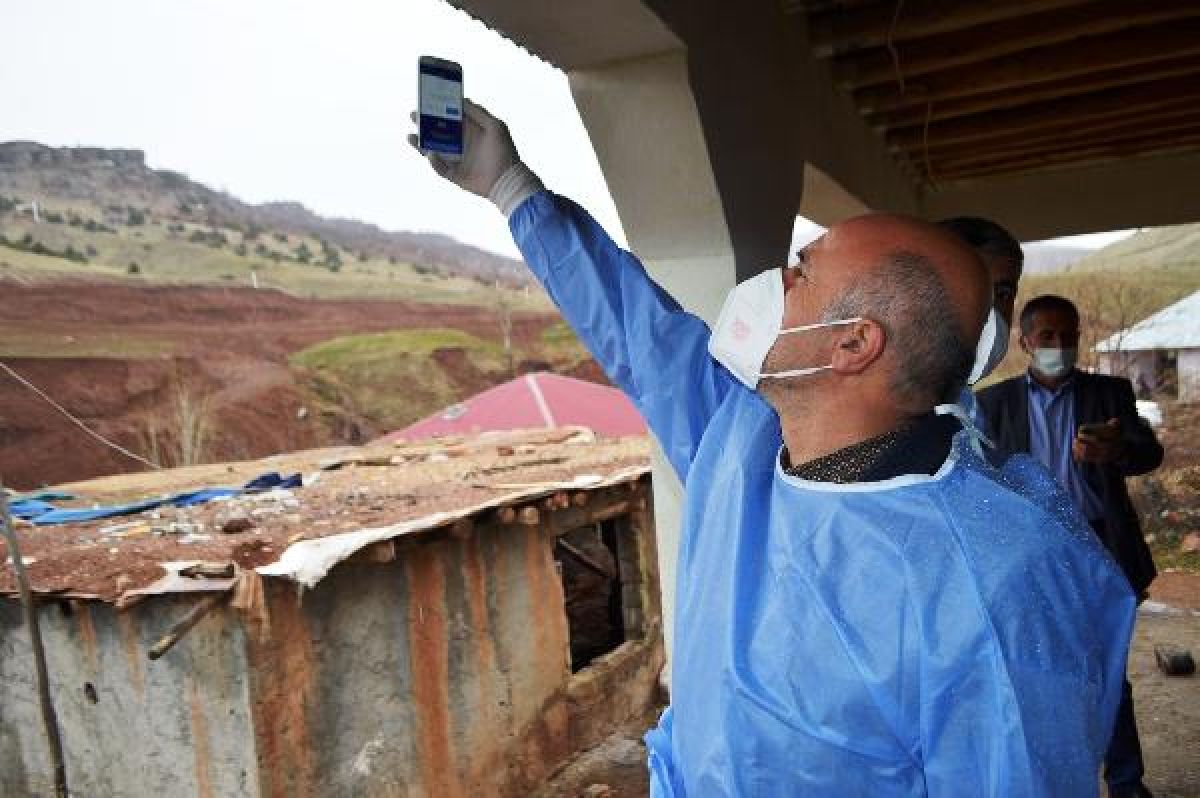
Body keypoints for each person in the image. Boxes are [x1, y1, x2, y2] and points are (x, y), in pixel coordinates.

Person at [410, 101, 1135, 796]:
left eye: (801, 273)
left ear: (854, 344)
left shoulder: (994, 582)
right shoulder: (740, 440)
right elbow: (639, 331)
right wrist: (511, 188)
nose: (772, 284)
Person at [977, 295, 1163, 798]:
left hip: (1099, 547)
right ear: (1025, 343)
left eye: (1069, 335)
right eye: (1048, 337)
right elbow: (977, 476)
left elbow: (1150, 452)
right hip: (1028, 555)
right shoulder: (994, 403)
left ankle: (1127, 784)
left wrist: (1117, 450)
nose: (1060, 346)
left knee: (1108, 669)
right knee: (1039, 671)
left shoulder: (1110, 394)